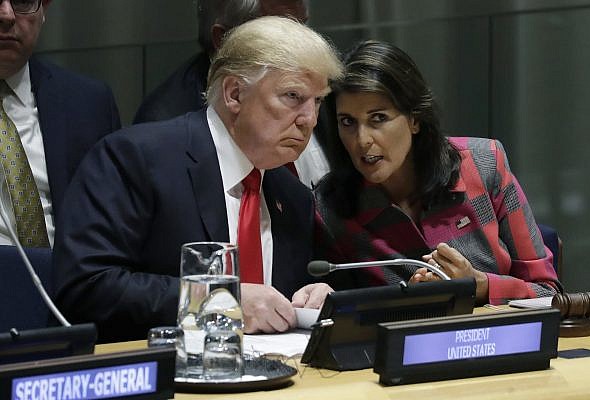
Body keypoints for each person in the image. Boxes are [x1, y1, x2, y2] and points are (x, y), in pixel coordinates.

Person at [53, 16, 343, 342]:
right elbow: (86, 286)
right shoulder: (137, 158)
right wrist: (218, 302)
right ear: (234, 93)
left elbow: (269, 306)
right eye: (293, 96)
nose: (310, 119)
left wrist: (310, 297)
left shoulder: (292, 195)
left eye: (317, 101)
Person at [314, 40, 561, 305]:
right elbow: (340, 314)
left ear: (415, 119)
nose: (361, 140)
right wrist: (406, 302)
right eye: (348, 122)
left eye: (378, 118)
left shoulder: (484, 163)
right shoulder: (330, 206)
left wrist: (479, 285)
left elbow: (548, 292)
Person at [134, 0, 329, 188]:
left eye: (303, 26)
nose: (310, 119)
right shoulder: (164, 124)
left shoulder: (325, 86)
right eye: (282, 36)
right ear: (224, 39)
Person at [0, 0, 120, 248]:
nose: (7, 14)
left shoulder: (89, 103)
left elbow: (116, 231)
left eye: (22, 1)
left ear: (44, 7)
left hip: (70, 280)